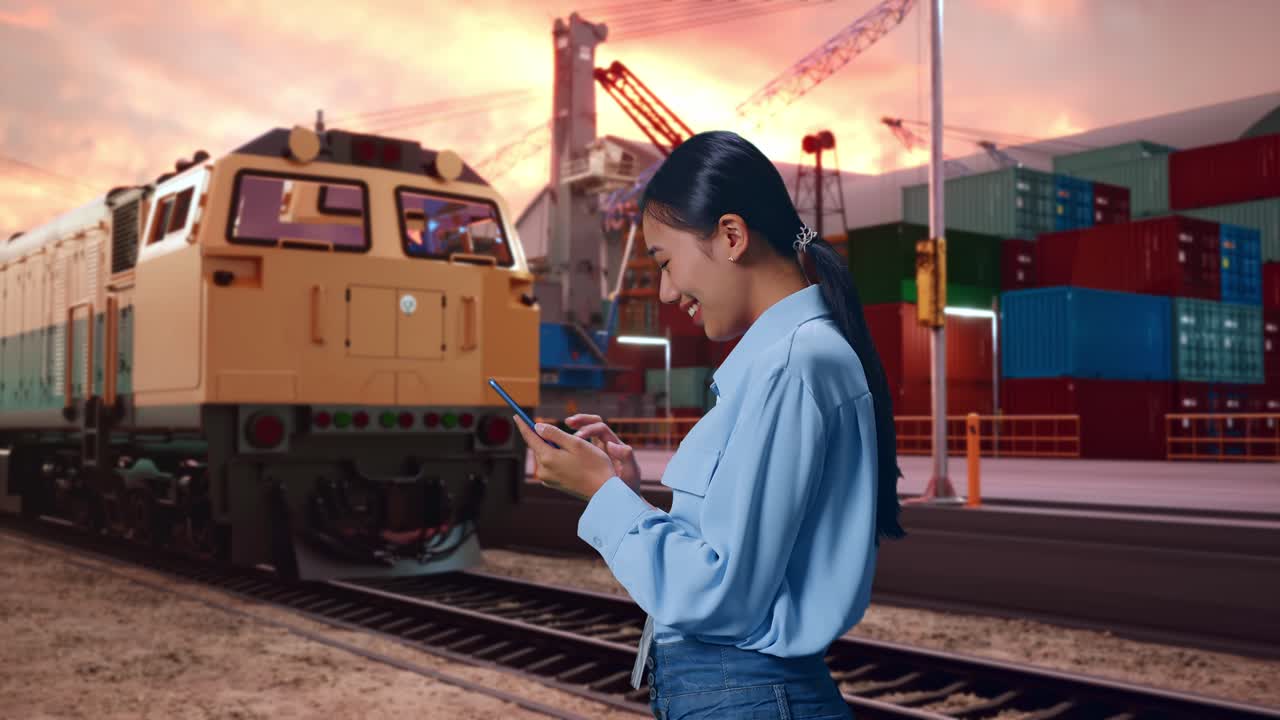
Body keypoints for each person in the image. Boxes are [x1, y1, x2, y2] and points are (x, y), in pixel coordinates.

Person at [512, 130, 905, 720]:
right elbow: (733, 558)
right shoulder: (786, 361)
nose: (667, 292)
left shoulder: (792, 366)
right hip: (742, 695)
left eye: (666, 262)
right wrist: (628, 495)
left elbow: (725, 597)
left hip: (746, 696)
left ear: (730, 236)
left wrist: (600, 495)